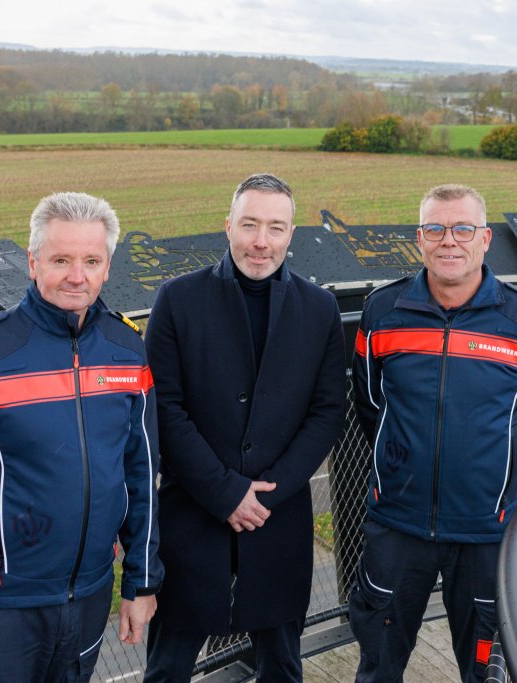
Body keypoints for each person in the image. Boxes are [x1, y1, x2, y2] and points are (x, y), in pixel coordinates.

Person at [0, 191, 163, 683]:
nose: (76, 275)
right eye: (61, 259)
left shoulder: (128, 350)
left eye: (91, 260)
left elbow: (142, 475)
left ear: (108, 266)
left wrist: (142, 581)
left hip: (90, 599)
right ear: (32, 262)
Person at [349, 184, 517, 683]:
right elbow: (370, 407)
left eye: (463, 228)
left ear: (485, 238)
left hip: (486, 531)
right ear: (420, 238)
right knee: (377, 663)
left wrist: (504, 494)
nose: (449, 241)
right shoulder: (382, 313)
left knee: (486, 669)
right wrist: (402, 465)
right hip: (397, 525)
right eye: (436, 228)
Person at [142, 173, 346, 682]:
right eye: (250, 224)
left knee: (281, 666)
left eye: (275, 228)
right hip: (192, 519)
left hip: (278, 524)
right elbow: (162, 408)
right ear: (227, 226)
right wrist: (225, 492)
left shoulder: (320, 309)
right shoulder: (177, 300)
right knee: (168, 668)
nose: (261, 241)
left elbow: (327, 413)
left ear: (291, 234)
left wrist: (265, 496)